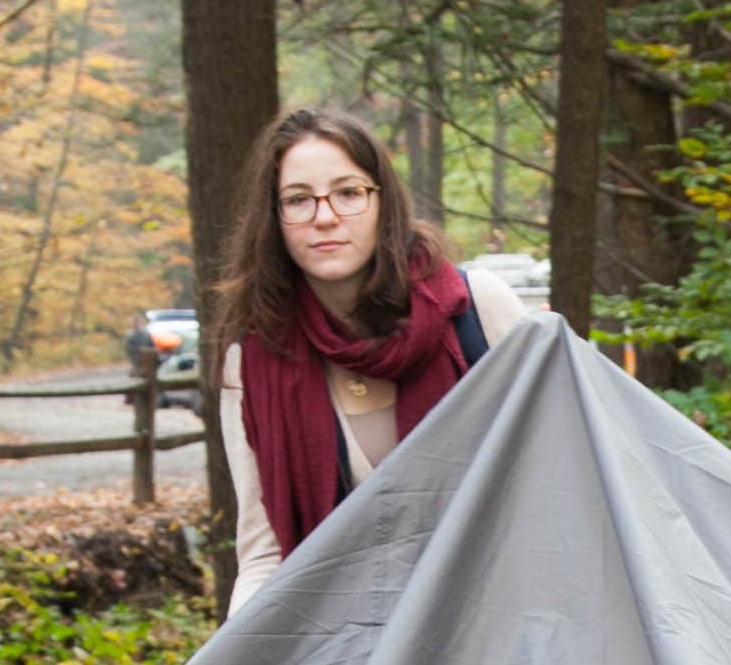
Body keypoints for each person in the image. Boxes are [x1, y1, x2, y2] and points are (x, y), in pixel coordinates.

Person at [215, 108, 532, 613]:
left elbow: (554, 482)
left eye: (348, 192)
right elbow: (266, 555)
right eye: (298, 200)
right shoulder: (252, 365)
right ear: (273, 219)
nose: (325, 216)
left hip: (499, 626)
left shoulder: (480, 312)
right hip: (356, 650)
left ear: (383, 202)